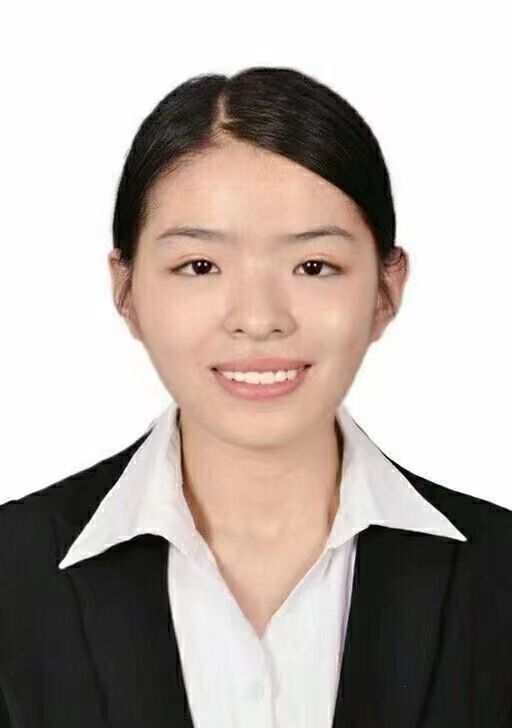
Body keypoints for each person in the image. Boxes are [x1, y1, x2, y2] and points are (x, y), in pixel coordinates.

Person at [1, 67, 511, 728]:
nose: (260, 318)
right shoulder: (12, 572)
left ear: (386, 291)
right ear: (125, 291)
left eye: (313, 266)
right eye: (200, 266)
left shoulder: (498, 575)